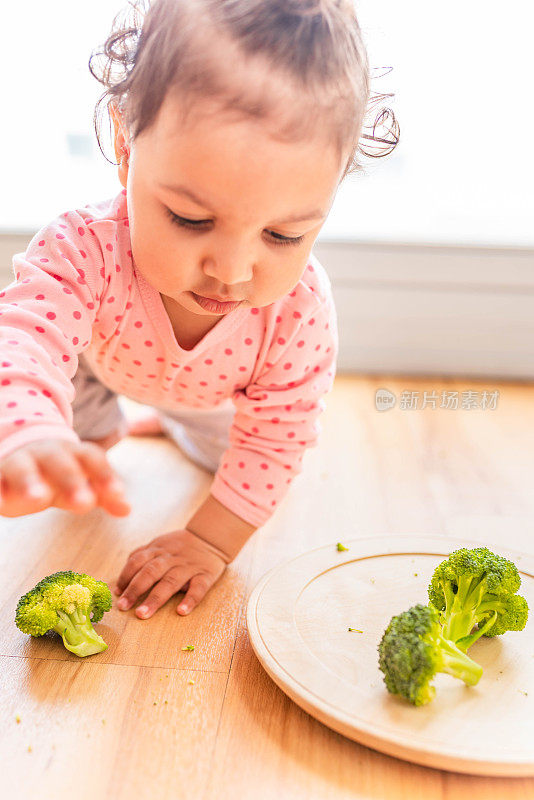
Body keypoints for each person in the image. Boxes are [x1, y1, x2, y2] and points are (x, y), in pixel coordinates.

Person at [0, 0, 398, 619]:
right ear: (125, 143)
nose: (233, 271)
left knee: (233, 472)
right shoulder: (82, 249)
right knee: (62, 436)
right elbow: (23, 341)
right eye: (191, 219)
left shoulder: (298, 313)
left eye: (284, 235)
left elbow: (275, 439)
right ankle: (102, 426)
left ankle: (175, 424)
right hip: (96, 368)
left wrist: (209, 541)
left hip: (219, 397)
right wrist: (27, 431)